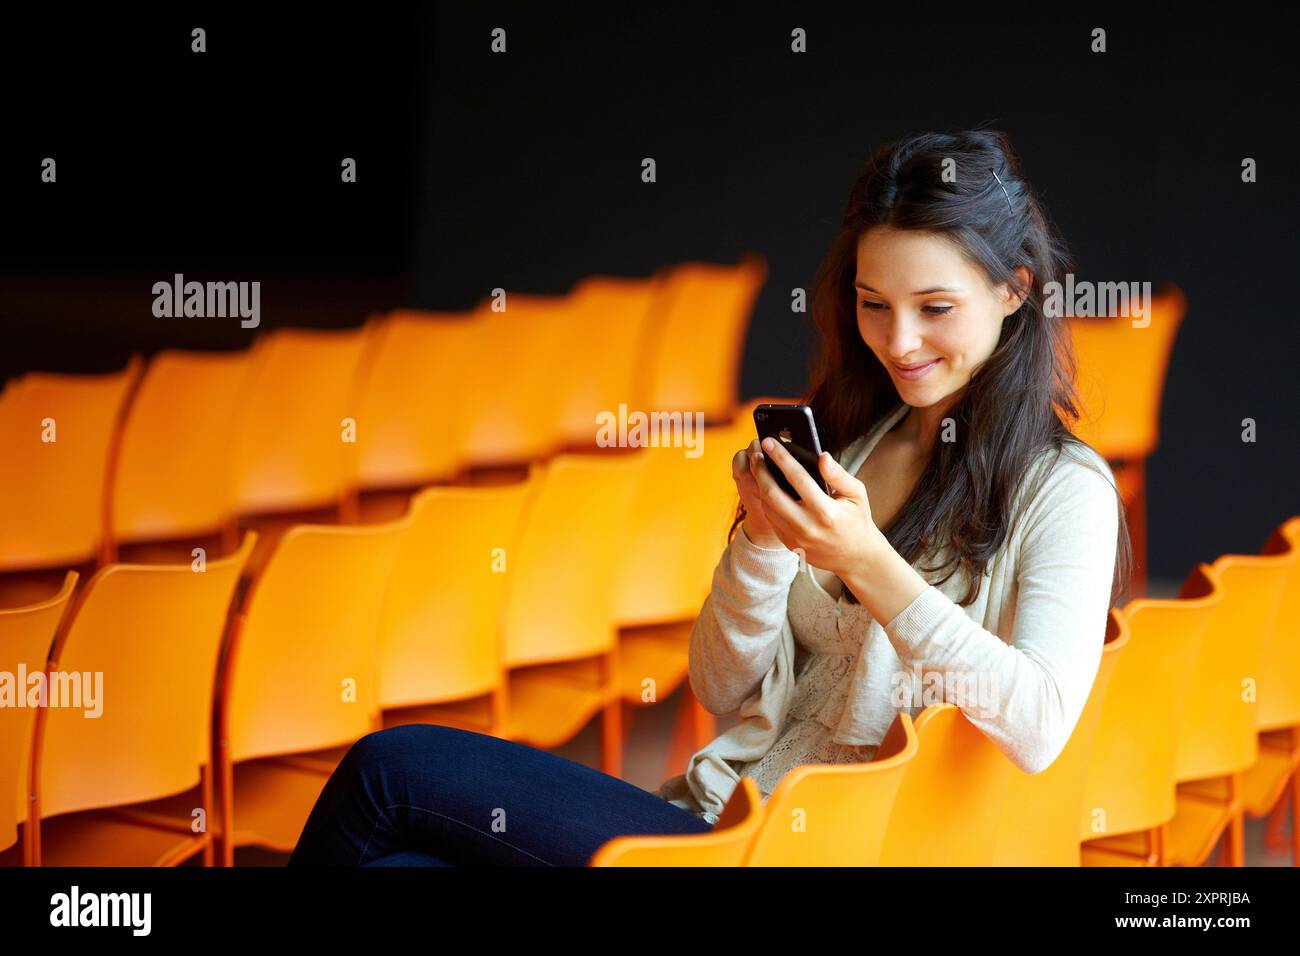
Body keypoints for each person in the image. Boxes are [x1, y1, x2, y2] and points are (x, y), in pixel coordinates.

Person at [288, 128, 1131, 866]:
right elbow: (721, 687)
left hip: (801, 850)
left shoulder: (1065, 489)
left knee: (387, 772)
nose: (899, 342)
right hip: (723, 815)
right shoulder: (862, 436)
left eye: (935, 308)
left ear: (1014, 289)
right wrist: (761, 545)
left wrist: (866, 562)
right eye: (874, 305)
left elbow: (1040, 724)